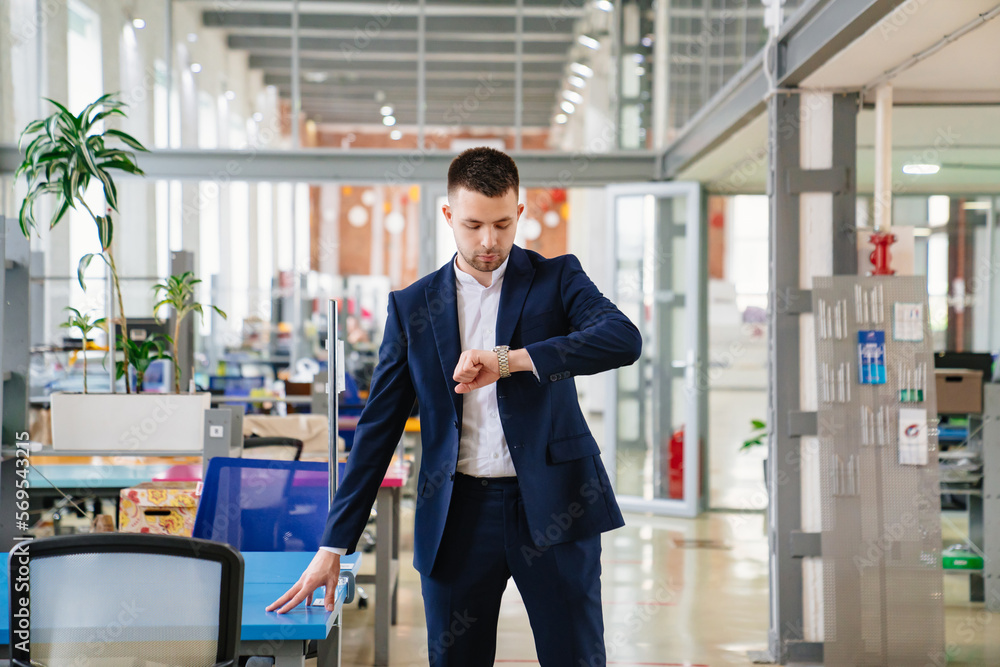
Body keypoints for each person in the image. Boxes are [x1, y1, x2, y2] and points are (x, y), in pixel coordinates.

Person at [268, 147, 642, 666]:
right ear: (448, 215)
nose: (489, 241)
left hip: (555, 505)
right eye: (473, 225)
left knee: (576, 658)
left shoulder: (557, 279)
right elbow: (378, 429)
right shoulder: (412, 307)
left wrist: (509, 361)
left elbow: (622, 339)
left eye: (502, 224)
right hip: (457, 516)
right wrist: (333, 546)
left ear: (519, 213)